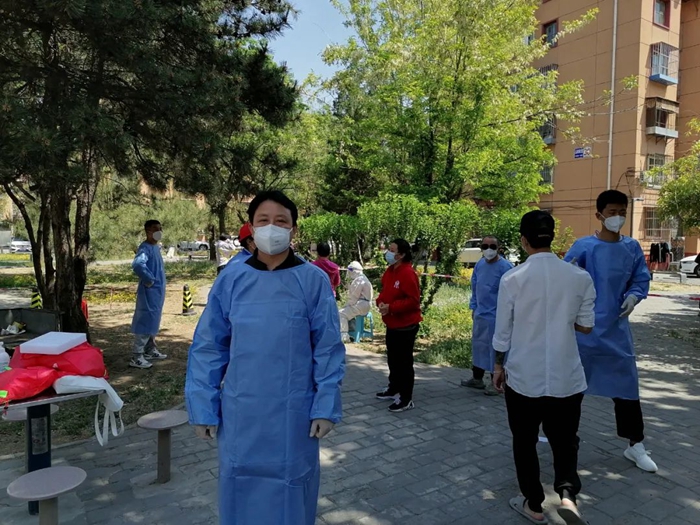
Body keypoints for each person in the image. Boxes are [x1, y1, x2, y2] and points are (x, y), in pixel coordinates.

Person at [185, 190, 345, 525]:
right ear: (252, 227)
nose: (272, 227)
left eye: (281, 221)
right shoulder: (231, 279)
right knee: (239, 490)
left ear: (293, 230)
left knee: (291, 494)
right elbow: (209, 347)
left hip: (294, 416)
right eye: (264, 220)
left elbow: (328, 348)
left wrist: (326, 406)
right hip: (240, 415)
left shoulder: (312, 281)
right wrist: (203, 407)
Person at [493, 210, 596, 525]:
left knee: (524, 441)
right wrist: (559, 317)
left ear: (523, 241)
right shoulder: (579, 277)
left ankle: (534, 504)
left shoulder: (512, 278)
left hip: (524, 377)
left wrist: (497, 366)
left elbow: (502, 332)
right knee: (565, 439)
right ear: (552, 238)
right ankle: (567, 496)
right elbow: (586, 327)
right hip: (567, 377)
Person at [564, 190, 658, 473]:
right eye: (612, 212)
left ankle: (635, 444)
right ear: (599, 215)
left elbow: (640, 279)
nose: (617, 217)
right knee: (573, 389)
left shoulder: (631, 248)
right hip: (584, 331)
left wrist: (634, 296)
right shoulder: (583, 247)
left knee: (627, 387)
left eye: (622, 212)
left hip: (616, 330)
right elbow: (565, 281)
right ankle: (565, 440)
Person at [461, 236, 513, 395]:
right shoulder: (480, 264)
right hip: (481, 314)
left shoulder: (506, 267)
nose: (488, 249)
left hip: (497, 316)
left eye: (492, 246)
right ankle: (477, 378)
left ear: (499, 248)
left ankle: (495, 383)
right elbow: (475, 287)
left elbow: (512, 294)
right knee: (479, 346)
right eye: (485, 246)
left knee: (495, 350)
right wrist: (474, 307)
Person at [375, 239, 422, 412]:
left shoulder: (408, 273)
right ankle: (393, 387)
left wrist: (392, 307)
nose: (388, 252)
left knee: (404, 363)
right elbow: (384, 292)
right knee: (393, 360)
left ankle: (406, 397)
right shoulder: (390, 271)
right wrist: (380, 302)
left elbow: (413, 301)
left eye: (392, 250)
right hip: (392, 323)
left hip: (406, 325)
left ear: (401, 255)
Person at [130, 220, 168, 369]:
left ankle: (150, 349)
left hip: (157, 291)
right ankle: (137, 356)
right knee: (145, 321)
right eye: (155, 229)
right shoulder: (145, 248)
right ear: (147, 231)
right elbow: (138, 264)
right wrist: (149, 280)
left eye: (160, 229)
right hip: (149, 291)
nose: (159, 232)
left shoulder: (155, 247)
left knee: (153, 321)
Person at [339, 261, 374, 343]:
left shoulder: (358, 281)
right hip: (365, 305)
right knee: (348, 312)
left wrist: (346, 305)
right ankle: (353, 330)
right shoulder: (364, 278)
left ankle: (344, 336)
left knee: (341, 314)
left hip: (360, 305)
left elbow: (353, 298)